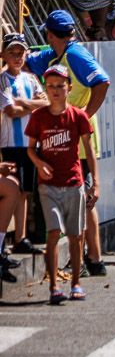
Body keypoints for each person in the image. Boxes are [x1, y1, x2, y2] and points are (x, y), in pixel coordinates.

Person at [25, 10, 109, 277]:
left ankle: (84, 260)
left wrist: (85, 114)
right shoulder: (57, 56)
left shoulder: (75, 55)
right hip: (69, 140)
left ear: (50, 34)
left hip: (78, 141)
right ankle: (94, 259)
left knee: (79, 202)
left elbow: (102, 82)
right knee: (83, 202)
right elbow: (29, 62)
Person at [26, 65, 98, 304]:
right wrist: (38, 163)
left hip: (74, 182)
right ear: (45, 89)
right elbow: (31, 149)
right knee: (54, 232)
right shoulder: (38, 117)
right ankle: (54, 285)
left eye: (60, 86)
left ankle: (76, 282)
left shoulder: (78, 116)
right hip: (48, 185)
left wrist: (95, 182)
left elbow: (89, 148)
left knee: (76, 235)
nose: (55, 91)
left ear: (69, 88)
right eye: (51, 87)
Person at [0, 34, 45, 258]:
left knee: (25, 191)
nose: (17, 57)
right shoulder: (2, 80)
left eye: (20, 53)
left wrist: (24, 103)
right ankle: (5, 239)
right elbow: (11, 111)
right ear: (3, 55)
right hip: (11, 143)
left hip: (31, 143)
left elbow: (47, 102)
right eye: (12, 53)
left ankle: (21, 238)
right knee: (13, 190)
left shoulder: (31, 78)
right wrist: (33, 106)